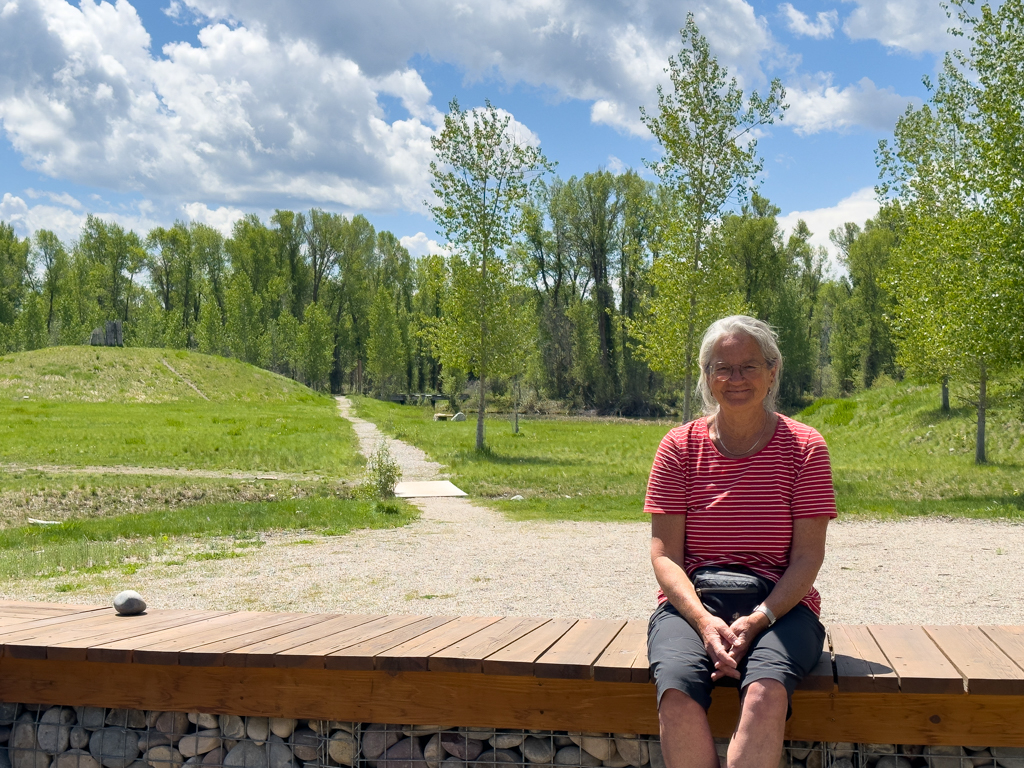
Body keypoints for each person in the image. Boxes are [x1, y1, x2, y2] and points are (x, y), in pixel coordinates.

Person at [645, 315, 836, 768]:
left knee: (764, 694)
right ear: (706, 377)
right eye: (721, 367)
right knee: (676, 693)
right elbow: (665, 556)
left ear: (773, 372)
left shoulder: (806, 447)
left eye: (749, 366)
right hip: (691, 602)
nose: (735, 379)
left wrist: (761, 617)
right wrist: (704, 623)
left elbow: (809, 556)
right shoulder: (678, 447)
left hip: (781, 606)